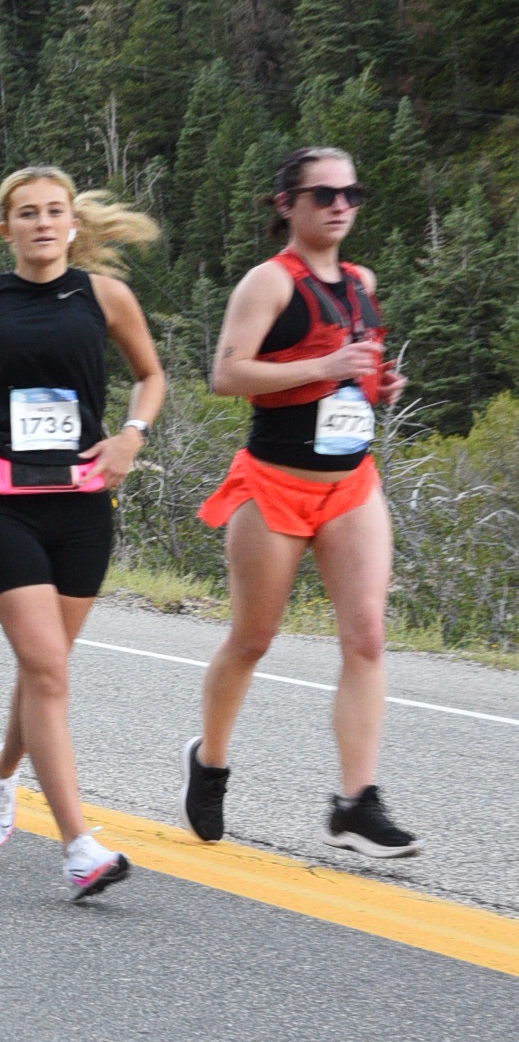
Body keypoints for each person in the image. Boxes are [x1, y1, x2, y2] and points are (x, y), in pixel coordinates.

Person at [0, 165, 166, 904]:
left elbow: (151, 376)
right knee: (48, 670)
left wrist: (131, 435)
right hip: (6, 503)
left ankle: (2, 770)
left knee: (45, 669)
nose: (42, 223)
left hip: (83, 505)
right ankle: (78, 847)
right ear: (6, 228)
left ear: (72, 224)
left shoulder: (105, 297)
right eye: (26, 213)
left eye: (54, 211)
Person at [185, 145, 417, 859]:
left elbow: (352, 374)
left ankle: (356, 802)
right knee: (253, 639)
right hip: (274, 484)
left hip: (351, 484)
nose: (341, 205)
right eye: (324, 195)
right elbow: (228, 375)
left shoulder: (362, 282)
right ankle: (210, 762)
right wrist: (326, 365)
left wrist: (377, 386)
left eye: (352, 194)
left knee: (367, 636)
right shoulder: (268, 283)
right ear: (287, 204)